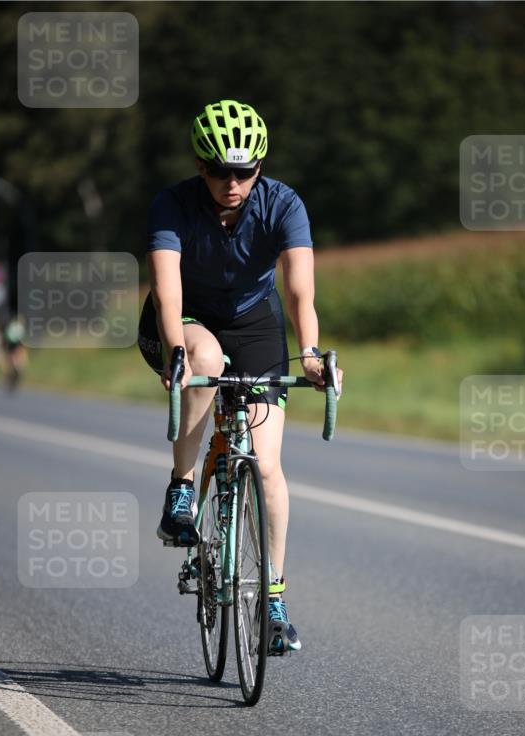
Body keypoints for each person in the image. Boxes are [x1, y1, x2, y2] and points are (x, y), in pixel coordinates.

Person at [138, 99, 341, 654]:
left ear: (260, 167)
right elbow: (167, 287)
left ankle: (272, 598)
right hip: (184, 320)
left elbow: (300, 289)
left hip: (253, 322)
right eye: (220, 171)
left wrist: (312, 353)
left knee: (268, 464)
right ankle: (181, 489)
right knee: (203, 361)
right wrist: (176, 351)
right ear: (199, 166)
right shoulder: (172, 205)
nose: (233, 182)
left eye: (245, 171)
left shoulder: (283, 204)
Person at [2, 314, 28, 392]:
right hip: (14, 344)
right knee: (18, 359)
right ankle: (14, 372)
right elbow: (22, 340)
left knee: (10, 359)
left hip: (10, 344)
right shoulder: (20, 327)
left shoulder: (12, 325)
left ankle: (8, 374)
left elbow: (6, 336)